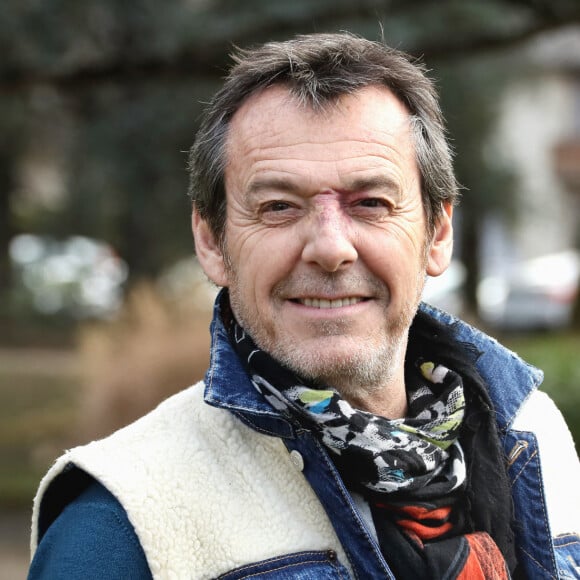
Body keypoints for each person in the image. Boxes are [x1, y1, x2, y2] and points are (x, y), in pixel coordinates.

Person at [29, 32, 579, 579]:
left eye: (370, 203)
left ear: (436, 234)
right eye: (278, 206)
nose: (330, 248)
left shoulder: (534, 436)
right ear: (212, 242)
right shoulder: (122, 524)